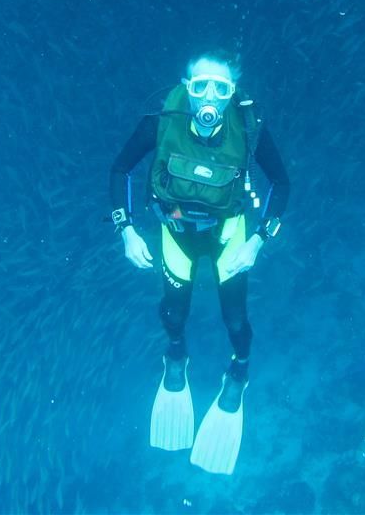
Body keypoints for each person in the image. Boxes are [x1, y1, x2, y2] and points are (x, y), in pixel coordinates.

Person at [108, 49, 290, 475]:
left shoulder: (248, 127)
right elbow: (120, 169)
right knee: (173, 312)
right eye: (201, 85)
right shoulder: (162, 121)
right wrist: (127, 230)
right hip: (175, 233)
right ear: (187, 88)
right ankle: (176, 358)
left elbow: (281, 182)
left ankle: (238, 376)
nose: (211, 95)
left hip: (229, 236)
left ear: (232, 93)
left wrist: (258, 241)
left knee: (235, 320)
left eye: (222, 87)